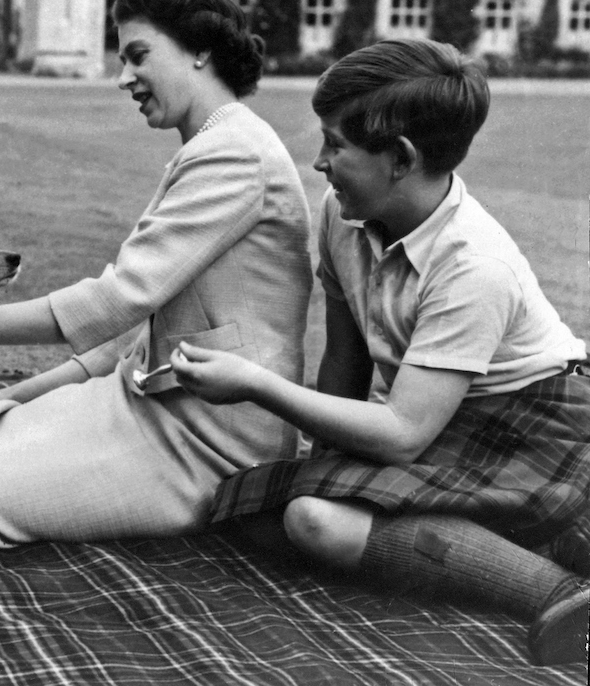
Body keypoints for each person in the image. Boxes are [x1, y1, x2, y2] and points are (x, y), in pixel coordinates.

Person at [172, 38, 590, 666]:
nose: (318, 163)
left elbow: (400, 436)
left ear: (400, 159)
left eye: (336, 145)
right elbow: (346, 359)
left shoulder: (475, 266)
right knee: (250, 507)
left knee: (314, 521)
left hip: (537, 422)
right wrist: (324, 462)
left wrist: (257, 384)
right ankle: (525, 543)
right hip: (438, 418)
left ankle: (560, 591)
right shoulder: (343, 214)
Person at [0, 0, 314, 546]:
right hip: (148, 405)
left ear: (201, 50)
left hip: (211, 443)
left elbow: (117, 300)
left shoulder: (234, 154)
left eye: (138, 56)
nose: (124, 78)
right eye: (122, 60)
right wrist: (15, 393)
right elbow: (132, 330)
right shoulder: (211, 144)